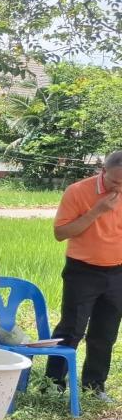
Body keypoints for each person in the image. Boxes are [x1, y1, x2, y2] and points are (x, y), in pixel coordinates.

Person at [47, 151, 122, 400]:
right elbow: (61, 233)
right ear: (103, 171)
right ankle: (53, 385)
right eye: (115, 182)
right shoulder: (78, 191)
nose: (119, 188)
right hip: (83, 270)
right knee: (71, 329)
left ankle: (94, 387)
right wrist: (96, 211)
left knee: (105, 332)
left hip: (118, 272)